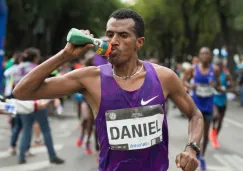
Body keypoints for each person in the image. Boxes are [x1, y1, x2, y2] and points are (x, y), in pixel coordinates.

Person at [14, 9, 203, 171]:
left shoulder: (164, 77)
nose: (114, 41)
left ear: (139, 42)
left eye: (123, 35)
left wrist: (191, 148)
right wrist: (65, 55)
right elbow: (22, 91)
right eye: (110, 34)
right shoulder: (90, 78)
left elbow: (194, 114)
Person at [182, 47, 222, 170]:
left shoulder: (215, 70)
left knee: (205, 134)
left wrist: (215, 85)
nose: (205, 55)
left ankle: (202, 156)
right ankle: (192, 154)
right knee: (194, 134)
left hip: (208, 105)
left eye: (207, 53)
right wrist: (191, 86)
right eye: (202, 53)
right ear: (199, 56)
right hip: (196, 106)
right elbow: (183, 81)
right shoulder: (193, 69)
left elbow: (219, 85)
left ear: (210, 56)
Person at [210, 61, 232, 149]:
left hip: (223, 101)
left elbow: (231, 86)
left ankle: (215, 136)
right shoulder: (213, 75)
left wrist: (226, 90)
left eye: (220, 66)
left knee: (220, 121)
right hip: (214, 99)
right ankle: (212, 132)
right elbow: (211, 84)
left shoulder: (226, 75)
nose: (218, 68)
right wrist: (216, 87)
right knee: (216, 116)